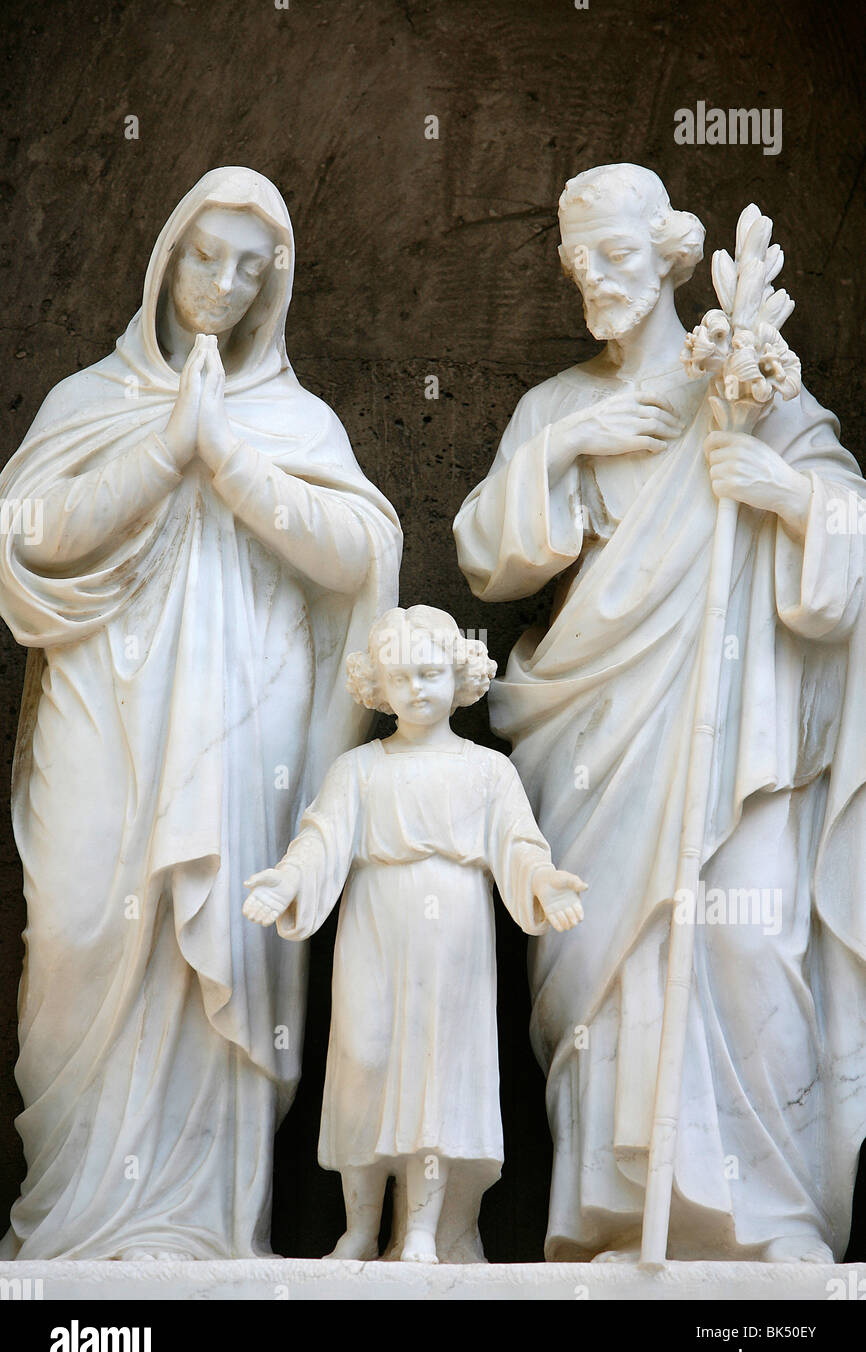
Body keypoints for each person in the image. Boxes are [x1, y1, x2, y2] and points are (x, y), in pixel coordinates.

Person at [454, 164, 866, 1262]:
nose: (593, 278)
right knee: (608, 967)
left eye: (615, 256)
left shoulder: (747, 384)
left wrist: (781, 494)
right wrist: (572, 445)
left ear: (672, 257)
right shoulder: (553, 405)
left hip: (735, 734)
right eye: (575, 260)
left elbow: (848, 542)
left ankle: (766, 1218)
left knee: (740, 941)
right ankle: (610, 1216)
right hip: (594, 739)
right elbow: (490, 558)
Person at [0, 167, 401, 1260]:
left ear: (276, 284)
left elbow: (363, 554)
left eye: (248, 265)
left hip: (241, 729)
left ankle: (203, 1228)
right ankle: (74, 1218)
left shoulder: (293, 421)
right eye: (202, 255)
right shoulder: (88, 404)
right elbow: (31, 532)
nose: (220, 283)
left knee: (215, 929)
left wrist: (227, 456)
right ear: (165, 256)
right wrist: (167, 446)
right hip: (101, 711)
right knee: (77, 930)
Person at [243, 606, 585, 1263]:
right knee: (362, 1063)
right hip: (374, 927)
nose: (417, 689)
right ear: (378, 686)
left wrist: (545, 884)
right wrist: (285, 883)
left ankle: (424, 1229)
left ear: (458, 676)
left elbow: (520, 844)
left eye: (430, 673)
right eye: (400, 678)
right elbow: (319, 842)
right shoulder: (359, 769)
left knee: (438, 1067)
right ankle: (360, 1229)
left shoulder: (487, 771)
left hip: (452, 932)